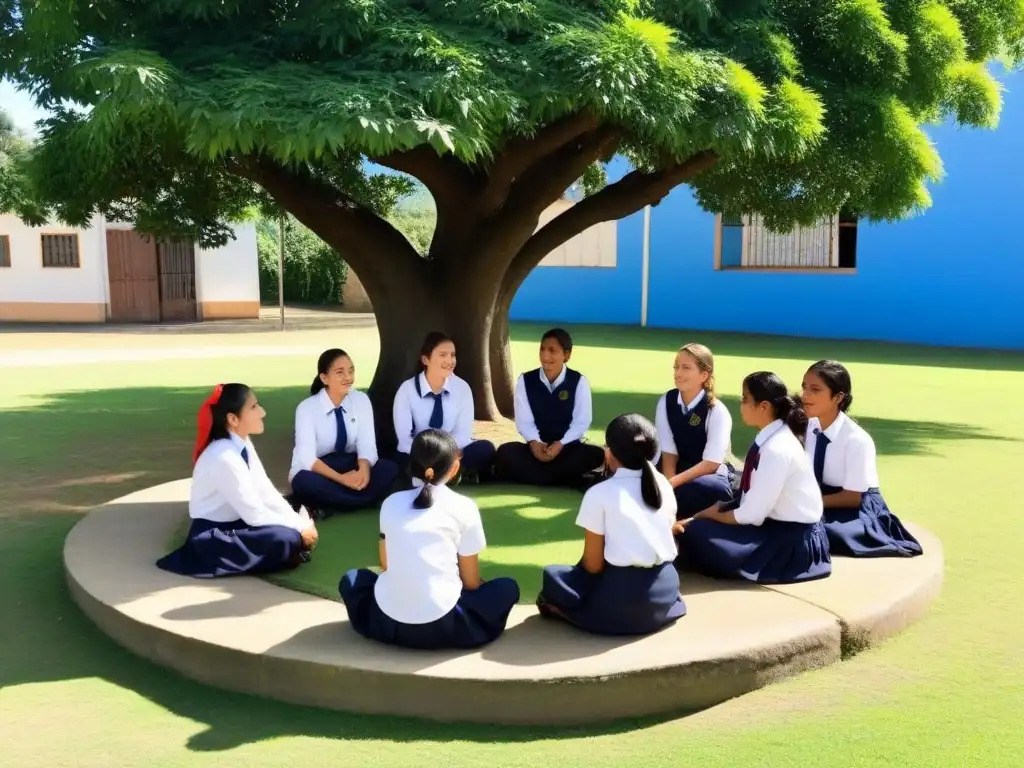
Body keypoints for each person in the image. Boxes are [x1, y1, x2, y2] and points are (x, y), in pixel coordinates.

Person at [338, 429, 520, 650]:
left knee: (353, 579)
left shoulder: (391, 503)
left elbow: (386, 565)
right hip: (444, 625)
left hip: (388, 621)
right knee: (507, 588)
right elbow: (471, 582)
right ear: (454, 468)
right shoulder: (464, 507)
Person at [536, 414, 687, 636]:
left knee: (553, 576)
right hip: (665, 591)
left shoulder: (599, 493)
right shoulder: (664, 484)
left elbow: (593, 565)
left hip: (622, 600)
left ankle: (570, 611)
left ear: (609, 452)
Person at [675, 372, 831, 584]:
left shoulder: (777, 448)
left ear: (764, 407)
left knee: (694, 533)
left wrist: (708, 515)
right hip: (775, 525)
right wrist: (714, 511)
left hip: (791, 543)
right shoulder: (771, 437)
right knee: (701, 508)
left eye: (745, 399)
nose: (741, 404)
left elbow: (752, 515)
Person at [156, 383, 318, 578]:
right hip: (213, 536)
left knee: (292, 528)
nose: (262, 412)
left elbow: (265, 491)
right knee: (286, 539)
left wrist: (300, 524)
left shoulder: (242, 443)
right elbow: (254, 515)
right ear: (233, 419)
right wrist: (299, 529)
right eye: (254, 407)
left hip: (237, 522)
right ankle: (289, 552)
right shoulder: (223, 456)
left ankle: (290, 550)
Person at [802, 360, 924, 558]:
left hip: (856, 505)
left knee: (824, 531)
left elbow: (852, 497)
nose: (805, 395)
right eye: (804, 387)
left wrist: (807, 502)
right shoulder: (808, 427)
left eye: (815, 389)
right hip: (820, 496)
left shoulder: (857, 440)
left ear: (838, 397)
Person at [288, 348, 399, 518]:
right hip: (319, 469)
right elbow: (307, 459)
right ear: (324, 378)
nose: (348, 377)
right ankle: (364, 500)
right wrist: (343, 480)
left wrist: (364, 472)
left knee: (388, 468)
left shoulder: (361, 399)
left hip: (350, 462)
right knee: (304, 482)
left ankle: (330, 504)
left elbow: (367, 444)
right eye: (340, 372)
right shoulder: (306, 408)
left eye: (351, 370)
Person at [494, 328, 605, 488]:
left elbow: (581, 423)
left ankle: (538, 477)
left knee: (595, 454)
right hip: (536, 449)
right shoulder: (525, 381)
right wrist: (535, 444)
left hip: (567, 448)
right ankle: (566, 479)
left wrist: (560, 444)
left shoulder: (579, 382)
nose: (545, 356)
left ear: (566, 355)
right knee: (505, 452)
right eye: (542, 349)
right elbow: (524, 422)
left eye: (552, 351)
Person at [392, 331, 496, 482]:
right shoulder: (407, 390)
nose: (450, 360)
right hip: (418, 453)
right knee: (399, 461)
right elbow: (404, 439)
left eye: (452, 355)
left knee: (485, 449)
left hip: (450, 451)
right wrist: (428, 457)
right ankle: (450, 474)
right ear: (425, 359)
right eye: (443, 355)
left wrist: (445, 455)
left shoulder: (462, 388)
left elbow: (462, 434)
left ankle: (442, 473)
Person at [654, 342, 736, 519]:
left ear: (704, 375)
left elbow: (711, 463)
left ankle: (668, 514)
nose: (678, 373)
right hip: (676, 469)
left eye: (686, 368)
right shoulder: (666, 401)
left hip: (707, 474)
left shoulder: (717, 411)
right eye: (676, 367)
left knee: (712, 489)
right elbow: (668, 451)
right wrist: (669, 483)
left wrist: (671, 484)